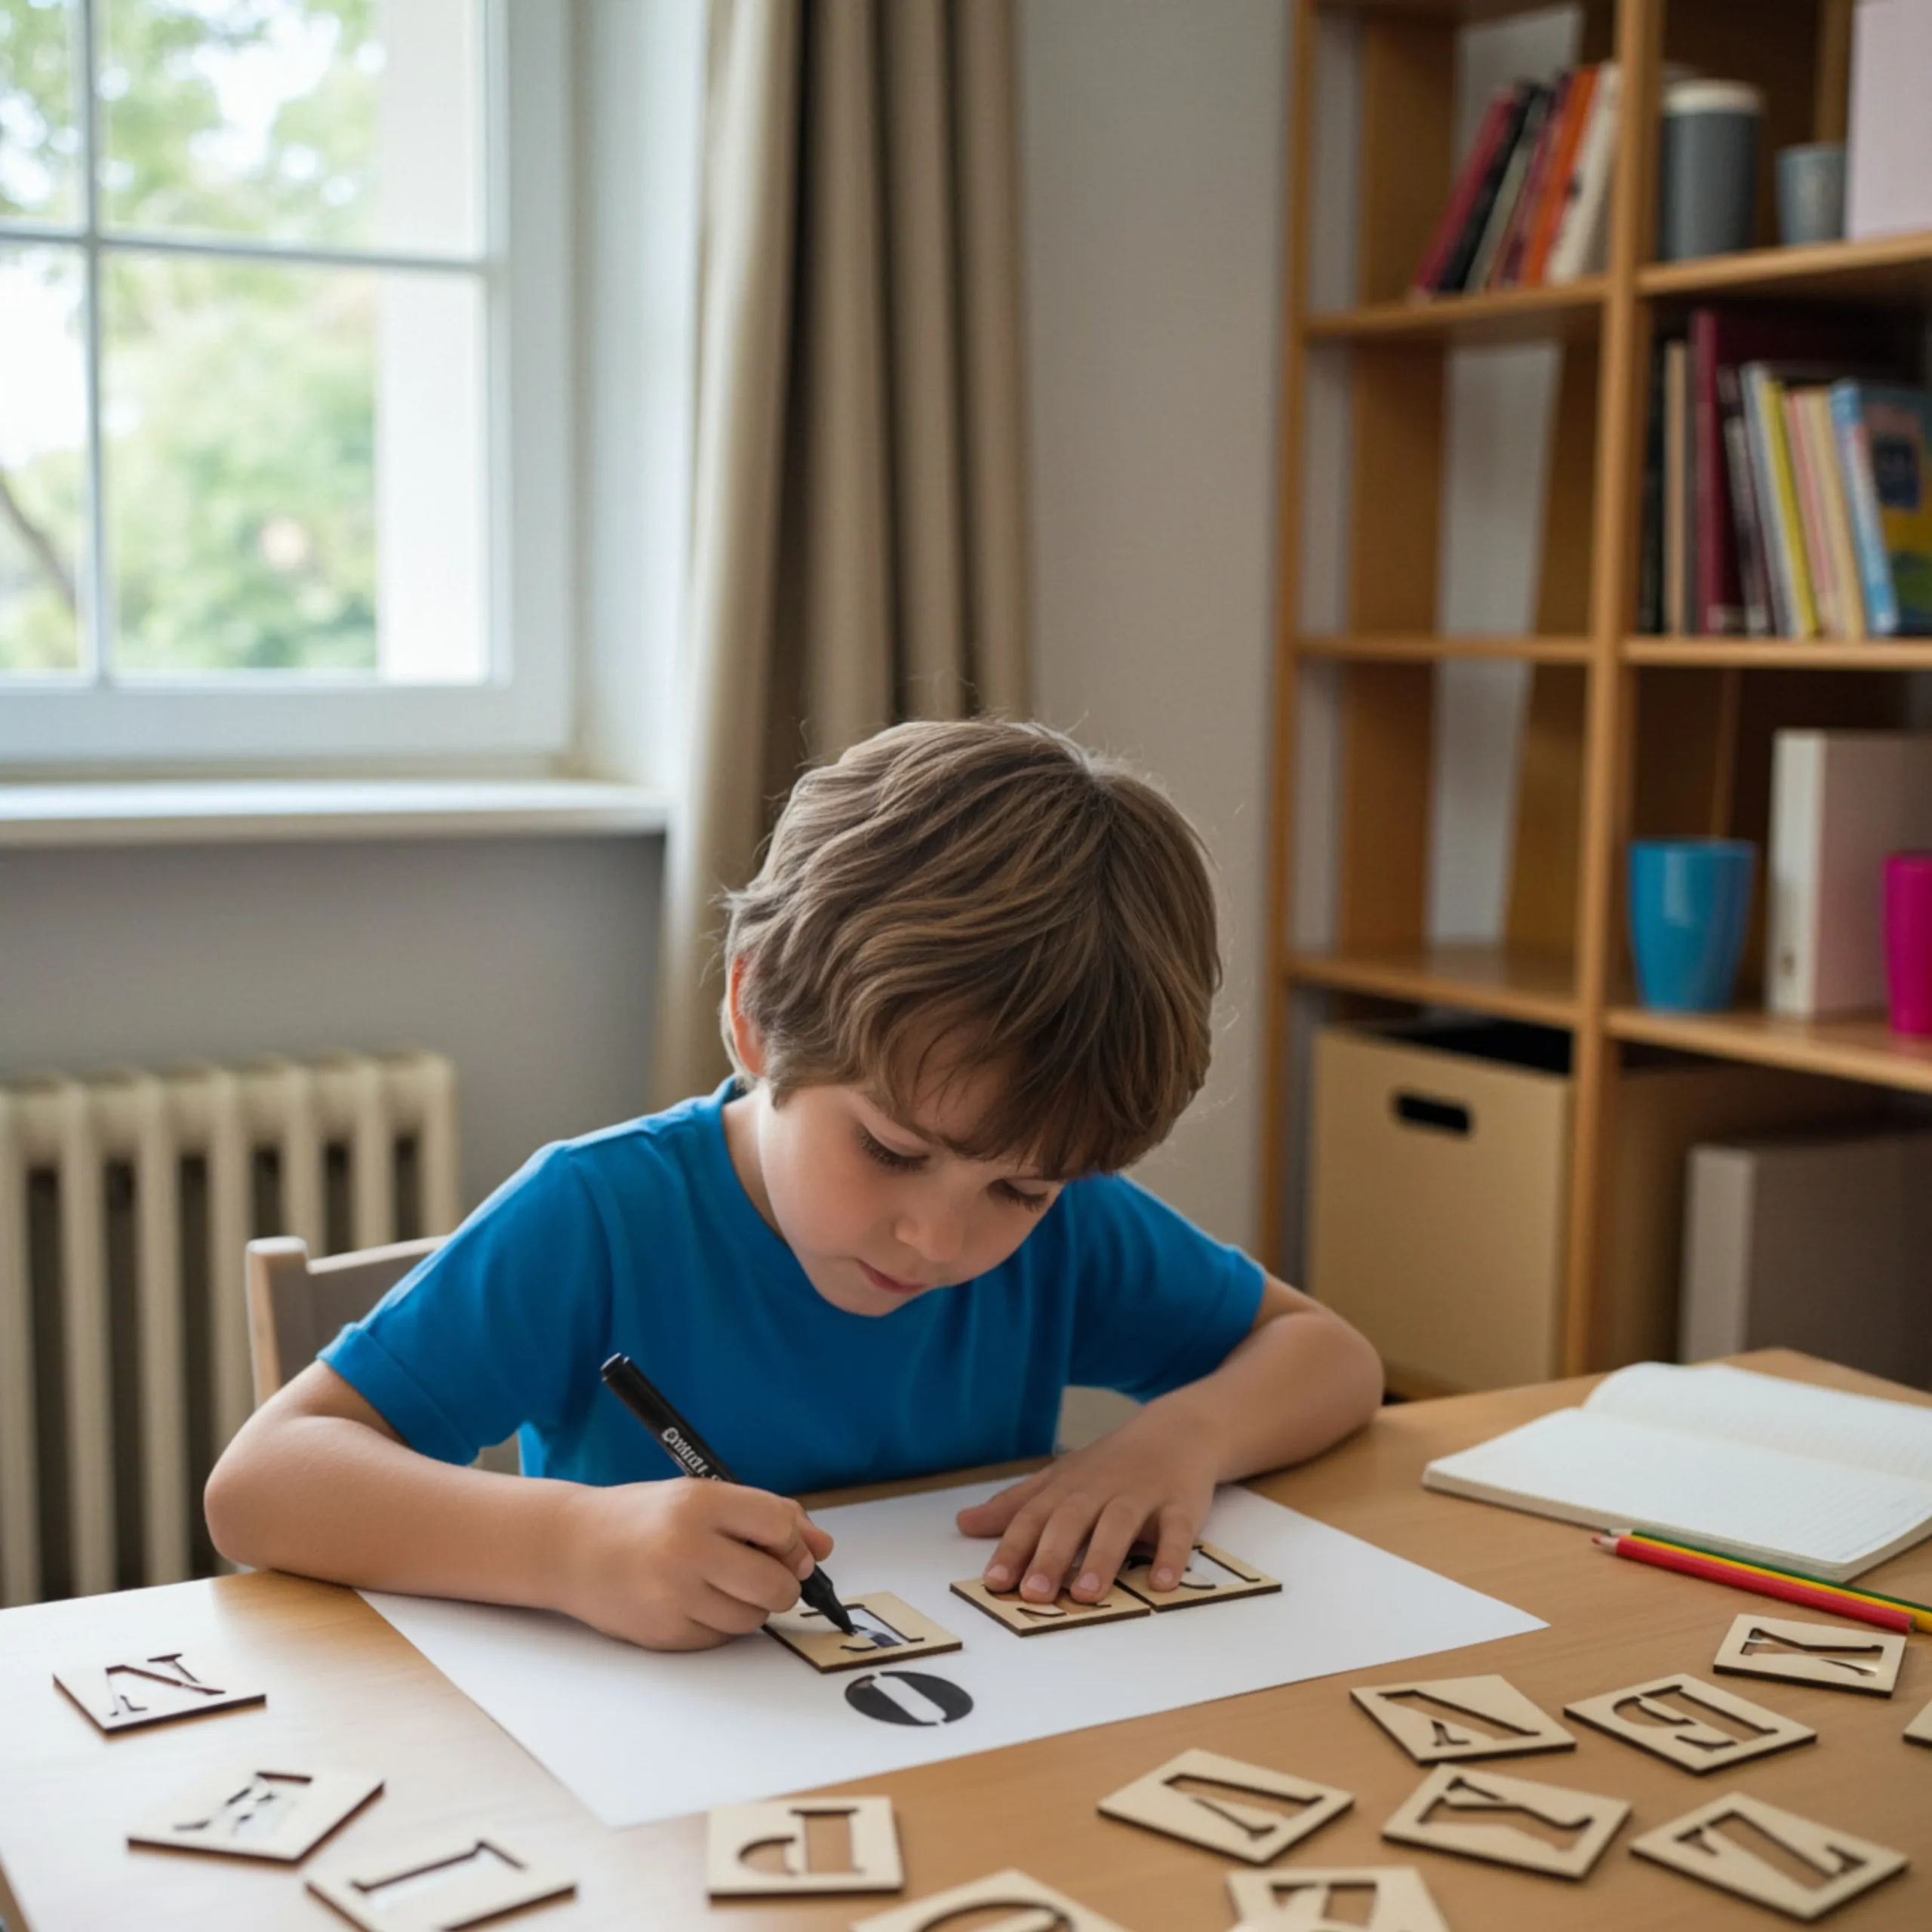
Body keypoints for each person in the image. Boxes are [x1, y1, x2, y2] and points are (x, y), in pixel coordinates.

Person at [206, 720, 1383, 1650]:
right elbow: (263, 1485)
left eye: (1018, 1191)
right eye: (892, 1149)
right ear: (755, 1012)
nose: (938, 1236)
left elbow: (1329, 1356)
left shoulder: (1068, 1229)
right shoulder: (600, 1218)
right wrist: (566, 1546)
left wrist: (1178, 1441)